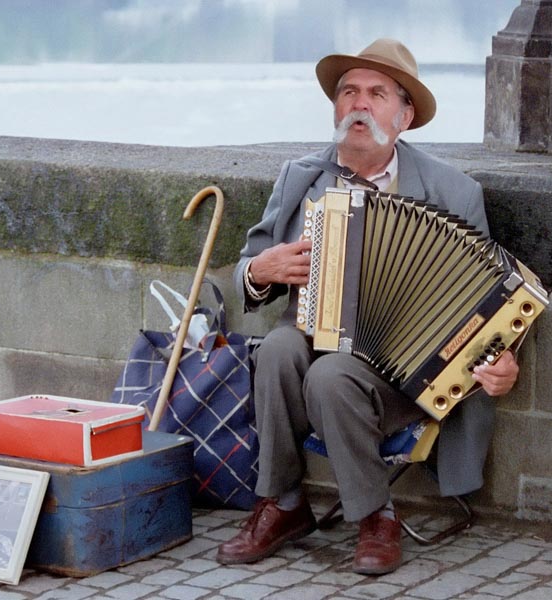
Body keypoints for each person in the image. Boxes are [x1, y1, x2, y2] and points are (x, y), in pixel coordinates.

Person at [217, 38, 519, 575]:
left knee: (331, 375)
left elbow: (490, 300)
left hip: (402, 373)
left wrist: (502, 361)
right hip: (311, 341)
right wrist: (260, 270)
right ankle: (283, 504)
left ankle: (376, 515)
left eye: (377, 94)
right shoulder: (300, 179)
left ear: (404, 116)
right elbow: (247, 269)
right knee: (278, 349)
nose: (359, 104)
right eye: (348, 92)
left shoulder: (453, 192)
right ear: (336, 108)